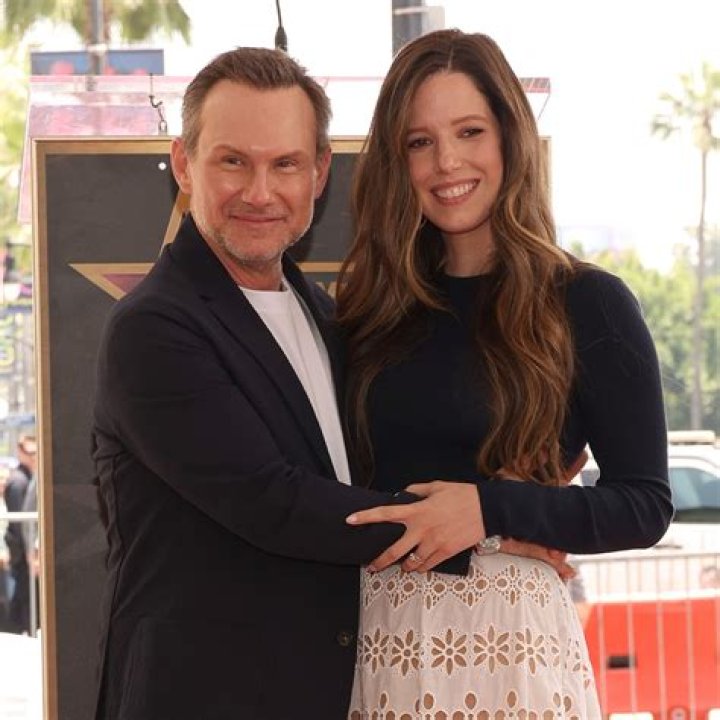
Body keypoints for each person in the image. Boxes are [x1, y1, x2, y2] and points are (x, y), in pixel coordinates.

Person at [93, 46, 555, 720]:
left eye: (285, 164)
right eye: (233, 161)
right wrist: (480, 530)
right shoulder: (154, 328)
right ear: (184, 164)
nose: (260, 192)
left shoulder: (329, 315)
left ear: (319, 173)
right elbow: (273, 501)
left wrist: (521, 500)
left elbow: (370, 473)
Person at [337, 30, 673, 717]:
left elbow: (644, 504)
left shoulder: (586, 301)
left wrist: (491, 510)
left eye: (469, 131)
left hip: (514, 648)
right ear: (397, 161)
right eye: (420, 141)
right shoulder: (370, 312)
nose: (447, 162)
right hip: (381, 641)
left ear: (509, 139)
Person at [2, 434, 37, 635]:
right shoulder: (18, 481)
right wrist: (29, 551)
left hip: (24, 550)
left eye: (35, 452)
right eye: (29, 452)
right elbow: (20, 522)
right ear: (20, 453)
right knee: (22, 596)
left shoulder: (26, 477)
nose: (33, 456)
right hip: (21, 551)